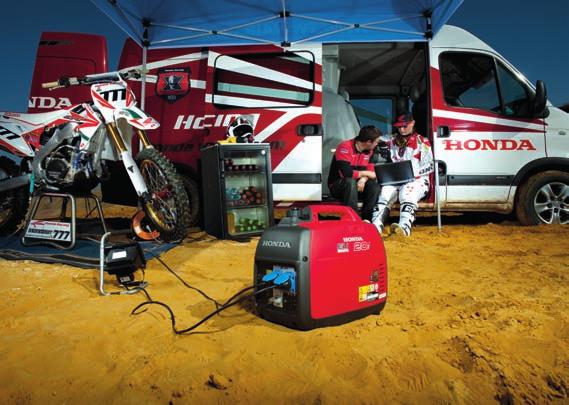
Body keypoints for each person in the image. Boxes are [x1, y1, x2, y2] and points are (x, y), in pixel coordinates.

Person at [372, 113, 433, 236]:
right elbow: (375, 137)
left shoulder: (422, 142)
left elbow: (429, 166)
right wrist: (378, 142)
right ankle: (376, 227)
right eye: (399, 127)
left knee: (407, 194)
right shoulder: (391, 139)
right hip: (395, 179)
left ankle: (404, 229)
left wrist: (412, 174)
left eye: (404, 126)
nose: (401, 129)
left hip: (418, 180)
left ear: (412, 123)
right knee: (385, 193)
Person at [328, 126, 381, 221]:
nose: (377, 144)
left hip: (358, 184)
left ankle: (367, 219)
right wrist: (365, 173)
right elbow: (347, 173)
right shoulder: (345, 147)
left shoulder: (372, 151)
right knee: (350, 182)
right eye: (376, 142)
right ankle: (354, 220)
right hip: (338, 186)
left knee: (374, 186)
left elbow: (371, 173)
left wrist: (363, 179)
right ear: (369, 142)